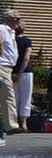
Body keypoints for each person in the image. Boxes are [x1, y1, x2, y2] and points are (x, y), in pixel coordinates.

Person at [6, 10, 31, 132]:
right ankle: (24, 124)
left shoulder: (11, 40)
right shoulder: (27, 41)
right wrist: (21, 72)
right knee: (26, 97)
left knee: (13, 97)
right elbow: (26, 58)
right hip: (26, 72)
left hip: (12, 71)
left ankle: (13, 122)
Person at [0, 9, 19, 138]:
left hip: (8, 67)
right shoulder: (2, 28)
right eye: (17, 18)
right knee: (8, 95)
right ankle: (11, 125)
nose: (19, 21)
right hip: (1, 65)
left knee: (6, 95)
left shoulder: (11, 32)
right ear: (9, 18)